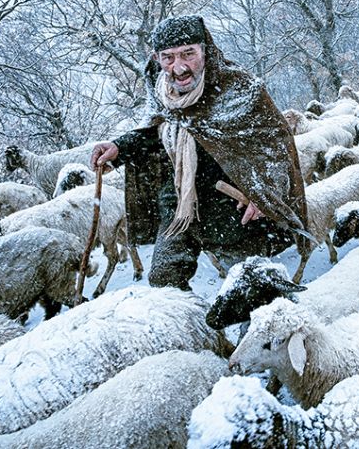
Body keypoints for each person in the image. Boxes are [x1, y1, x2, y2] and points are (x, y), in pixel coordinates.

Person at [90, 16, 308, 290]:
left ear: (206, 51)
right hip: (179, 203)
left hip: (232, 208)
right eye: (168, 57)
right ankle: (188, 317)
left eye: (188, 54)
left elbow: (274, 145)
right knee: (164, 282)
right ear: (157, 58)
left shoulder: (238, 88)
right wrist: (120, 148)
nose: (178, 67)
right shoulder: (161, 90)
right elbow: (158, 131)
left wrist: (265, 192)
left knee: (252, 289)